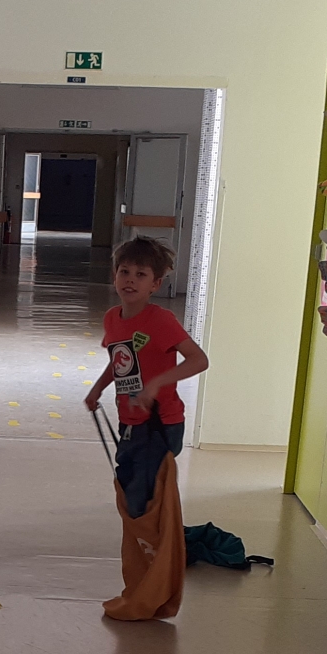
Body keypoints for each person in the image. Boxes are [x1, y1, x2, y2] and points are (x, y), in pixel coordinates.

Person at [83, 238, 210, 620]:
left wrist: (157, 384)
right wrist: (98, 388)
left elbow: (199, 360)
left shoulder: (161, 320)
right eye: (125, 272)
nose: (130, 280)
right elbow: (120, 361)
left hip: (160, 423)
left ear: (155, 284)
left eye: (141, 275)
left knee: (144, 506)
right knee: (133, 500)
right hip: (129, 421)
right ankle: (144, 583)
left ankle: (156, 584)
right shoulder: (112, 318)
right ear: (114, 274)